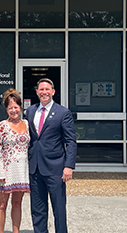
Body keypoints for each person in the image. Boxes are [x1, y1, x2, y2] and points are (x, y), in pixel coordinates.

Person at [27, 78, 77, 233]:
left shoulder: (63, 112)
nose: (44, 92)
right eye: (41, 89)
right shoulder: (30, 111)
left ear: (53, 92)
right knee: (38, 210)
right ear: (37, 92)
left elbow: (71, 141)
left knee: (59, 210)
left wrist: (68, 166)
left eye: (47, 89)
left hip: (55, 169)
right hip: (35, 169)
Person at [0, 88, 31, 233]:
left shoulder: (27, 124)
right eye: (10, 108)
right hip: (5, 171)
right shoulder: (2, 126)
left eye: (16, 107)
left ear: (20, 107)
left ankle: (16, 231)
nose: (14, 110)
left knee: (17, 203)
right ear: (6, 109)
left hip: (21, 171)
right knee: (2, 204)